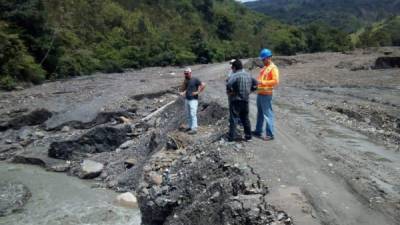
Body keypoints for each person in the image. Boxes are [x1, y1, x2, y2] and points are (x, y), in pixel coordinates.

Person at [226, 59, 258, 142]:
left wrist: (230, 92)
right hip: (245, 100)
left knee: (234, 119)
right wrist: (251, 90)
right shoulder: (248, 75)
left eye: (232, 67)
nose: (232, 68)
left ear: (235, 67)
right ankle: (248, 136)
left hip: (236, 100)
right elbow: (256, 84)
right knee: (245, 119)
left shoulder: (235, 75)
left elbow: (229, 84)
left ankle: (231, 137)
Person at [253, 49, 280, 141]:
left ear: (269, 58)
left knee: (268, 114)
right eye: (262, 59)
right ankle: (258, 130)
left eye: (264, 59)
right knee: (259, 114)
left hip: (266, 94)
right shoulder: (264, 68)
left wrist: (262, 82)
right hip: (260, 93)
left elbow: (275, 81)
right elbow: (260, 80)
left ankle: (270, 134)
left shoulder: (273, 68)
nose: (263, 61)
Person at [180, 67, 206, 135]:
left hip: (193, 100)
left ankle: (194, 128)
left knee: (193, 114)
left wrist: (198, 92)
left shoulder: (195, 79)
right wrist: (184, 92)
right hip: (187, 99)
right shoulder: (186, 80)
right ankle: (190, 126)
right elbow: (187, 88)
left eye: (187, 73)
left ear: (190, 73)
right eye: (185, 73)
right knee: (188, 114)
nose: (186, 75)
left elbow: (203, 84)